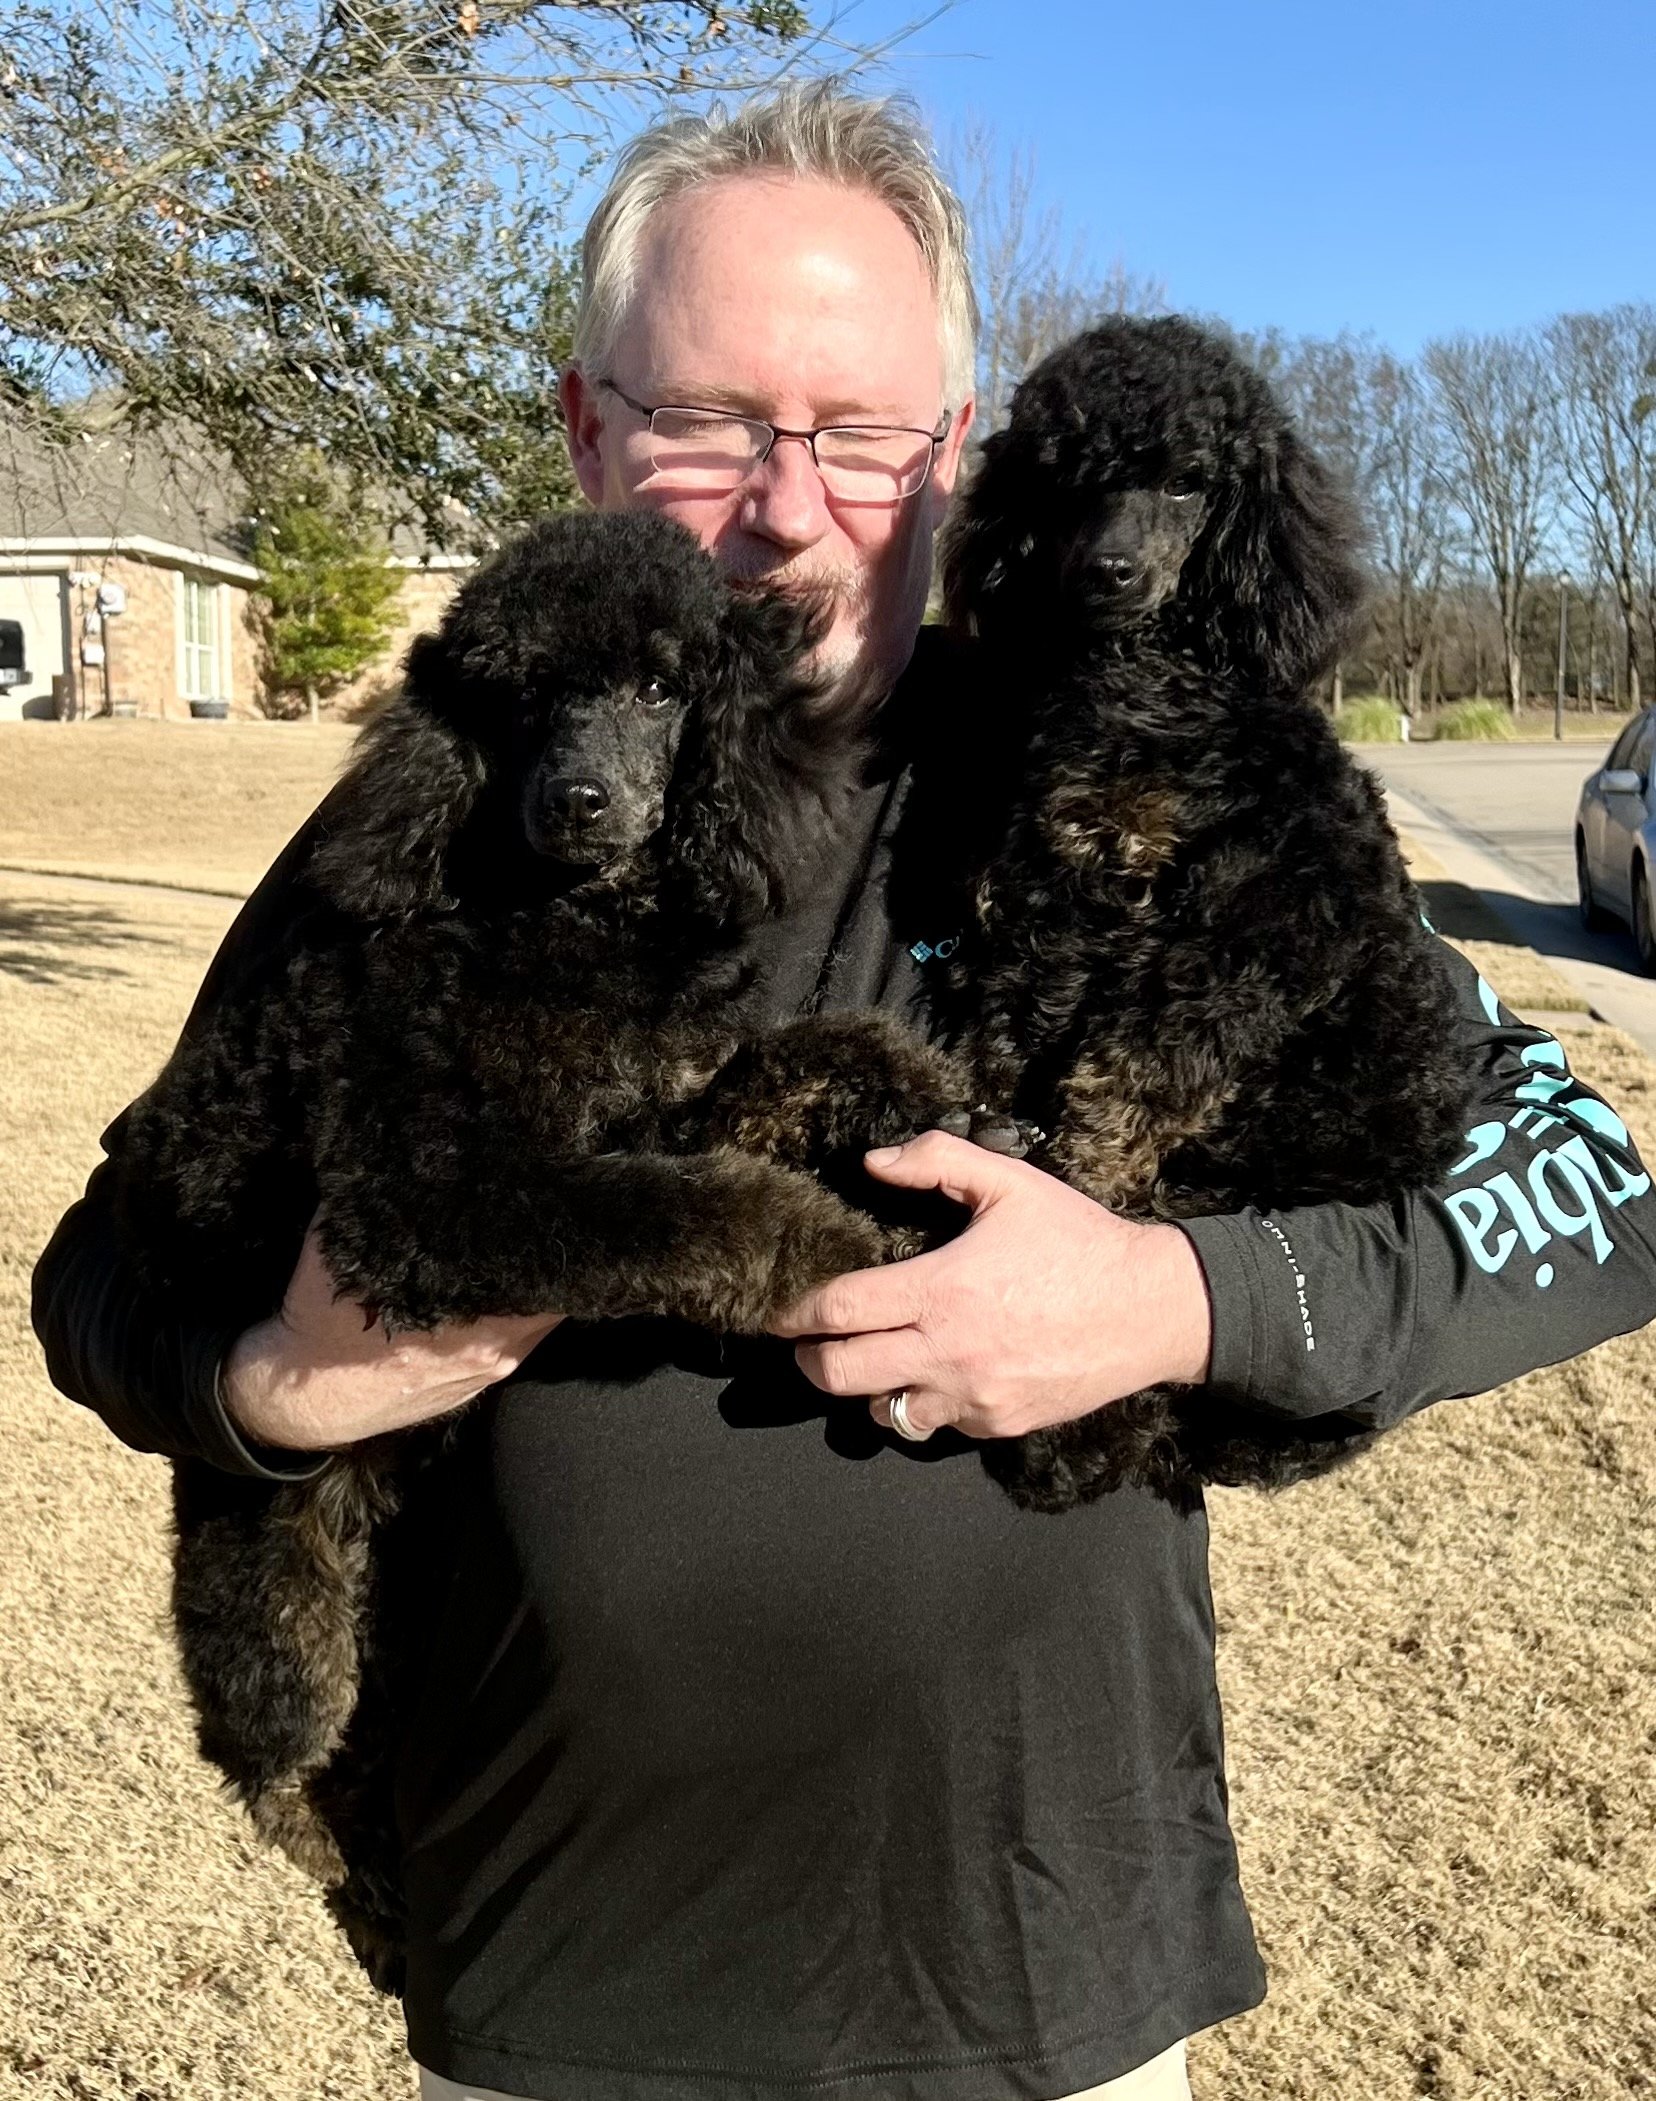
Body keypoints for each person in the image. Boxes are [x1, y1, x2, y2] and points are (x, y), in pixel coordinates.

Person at [32, 87, 1656, 2101]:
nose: (787, 507)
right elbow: (103, 1272)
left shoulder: (1142, 787)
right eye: (712, 421)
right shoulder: (445, 811)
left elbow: (1598, 1202)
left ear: (952, 458)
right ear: (588, 433)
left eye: (864, 432)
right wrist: (275, 1381)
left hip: (1052, 1993)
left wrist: (1181, 1299)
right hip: (563, 2001)